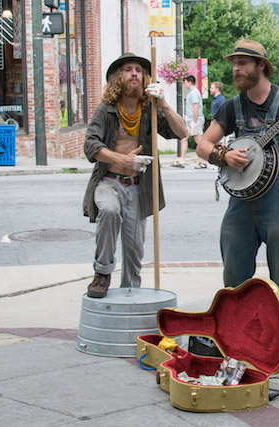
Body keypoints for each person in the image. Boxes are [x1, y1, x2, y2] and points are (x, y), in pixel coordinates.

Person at [196, 39, 279, 323]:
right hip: (241, 201)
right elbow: (203, 145)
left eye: (242, 63)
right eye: (234, 64)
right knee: (233, 274)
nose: (236, 69)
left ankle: (278, 339)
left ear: (261, 66)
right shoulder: (233, 106)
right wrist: (224, 155)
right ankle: (235, 334)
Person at [82, 53, 187, 298]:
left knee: (134, 249)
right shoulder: (106, 109)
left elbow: (181, 132)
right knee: (108, 210)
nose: (134, 74)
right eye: (128, 69)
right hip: (110, 182)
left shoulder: (149, 109)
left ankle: (130, 294)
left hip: (139, 187)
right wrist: (123, 160)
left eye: (139, 70)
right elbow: (91, 146)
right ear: (119, 77)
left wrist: (164, 104)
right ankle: (102, 272)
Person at [172, 75, 207, 169]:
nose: (184, 84)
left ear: (189, 82)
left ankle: (204, 160)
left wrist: (194, 122)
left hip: (195, 120)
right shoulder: (191, 92)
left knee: (198, 140)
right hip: (191, 120)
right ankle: (182, 160)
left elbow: (195, 107)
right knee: (184, 138)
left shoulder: (194, 93)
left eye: (185, 82)